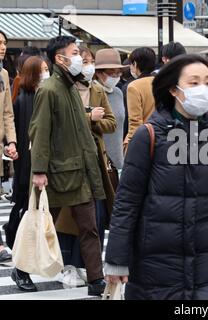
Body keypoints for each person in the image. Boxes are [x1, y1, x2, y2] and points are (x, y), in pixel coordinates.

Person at [104, 54, 208, 300]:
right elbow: (127, 201)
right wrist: (117, 259)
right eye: (194, 83)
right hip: (156, 264)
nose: (203, 89)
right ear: (173, 89)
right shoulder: (148, 135)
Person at [28, 36, 106, 296]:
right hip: (57, 173)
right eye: (74, 53)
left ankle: (96, 280)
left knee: (89, 228)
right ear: (60, 58)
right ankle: (21, 267)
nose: (79, 58)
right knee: (38, 224)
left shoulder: (71, 87)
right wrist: (39, 171)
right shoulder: (49, 89)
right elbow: (39, 131)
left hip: (79, 170)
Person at [54, 46, 117, 287]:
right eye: (84, 59)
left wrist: (97, 121)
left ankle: (87, 268)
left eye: (90, 60)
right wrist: (88, 116)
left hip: (95, 159)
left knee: (94, 217)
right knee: (68, 217)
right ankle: (68, 265)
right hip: (69, 159)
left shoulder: (98, 90)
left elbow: (111, 122)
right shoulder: (63, 89)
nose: (86, 64)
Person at [4, 56, 49, 291]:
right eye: (42, 70)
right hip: (30, 169)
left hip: (41, 168)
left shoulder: (43, 96)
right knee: (27, 216)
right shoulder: (25, 100)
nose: (46, 73)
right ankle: (21, 269)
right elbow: (26, 141)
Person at [0, 29, 18, 264]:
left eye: (4, 43)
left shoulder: (3, 74)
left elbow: (7, 113)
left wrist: (11, 141)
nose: (2, 47)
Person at [94, 48, 128, 171]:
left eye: (118, 72)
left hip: (118, 159)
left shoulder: (118, 92)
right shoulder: (92, 93)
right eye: (111, 72)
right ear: (98, 72)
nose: (115, 76)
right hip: (99, 159)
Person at [124, 47, 156, 151]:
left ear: (136, 64)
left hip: (145, 139)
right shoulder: (159, 82)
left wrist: (130, 144)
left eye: (131, 64)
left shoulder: (134, 86)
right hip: (162, 136)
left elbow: (135, 121)